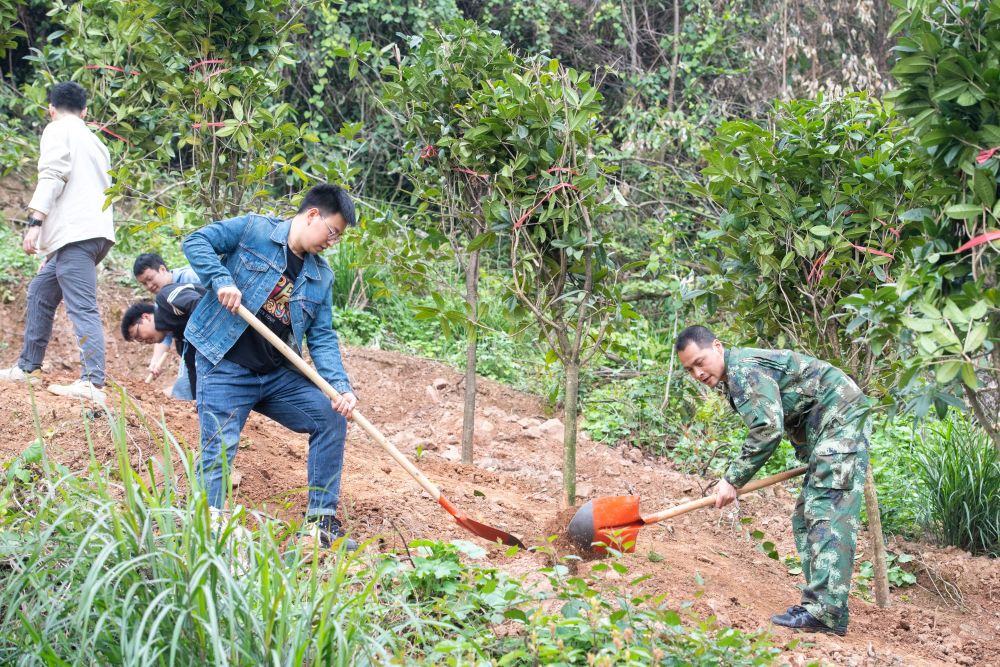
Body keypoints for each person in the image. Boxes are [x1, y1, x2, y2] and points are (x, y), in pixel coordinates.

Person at [183, 183, 359, 550]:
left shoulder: (320, 276)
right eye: (332, 232)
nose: (332, 242)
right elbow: (196, 241)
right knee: (219, 445)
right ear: (313, 215)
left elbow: (322, 336)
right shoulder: (254, 230)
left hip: (276, 375)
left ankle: (320, 524)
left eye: (337, 237)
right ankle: (208, 529)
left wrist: (340, 387)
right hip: (226, 364)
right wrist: (221, 280)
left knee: (330, 417)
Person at [675, 325, 870, 637]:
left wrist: (731, 479)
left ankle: (826, 613)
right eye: (689, 370)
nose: (698, 373)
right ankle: (818, 606)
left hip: (842, 419)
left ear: (718, 347)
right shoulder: (736, 374)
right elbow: (796, 407)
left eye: (700, 362)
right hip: (830, 425)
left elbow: (767, 428)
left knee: (826, 512)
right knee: (805, 518)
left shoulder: (743, 370)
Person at [0, 81, 115, 404]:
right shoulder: (96, 143)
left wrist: (35, 223)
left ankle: (92, 383)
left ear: (51, 108)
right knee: (41, 290)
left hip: (77, 235)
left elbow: (53, 174)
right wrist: (54, 246)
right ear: (86, 112)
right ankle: (28, 367)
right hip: (92, 233)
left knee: (82, 305)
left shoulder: (57, 130)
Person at [132, 253, 201, 399]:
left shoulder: (191, 277)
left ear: (162, 269)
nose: (149, 286)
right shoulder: (161, 300)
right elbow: (165, 336)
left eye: (150, 279)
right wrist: (155, 362)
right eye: (144, 283)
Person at [120, 281, 206, 396]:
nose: (143, 341)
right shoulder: (182, 342)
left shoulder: (166, 299)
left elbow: (201, 306)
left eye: (138, 336)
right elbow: (195, 379)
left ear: (146, 317)